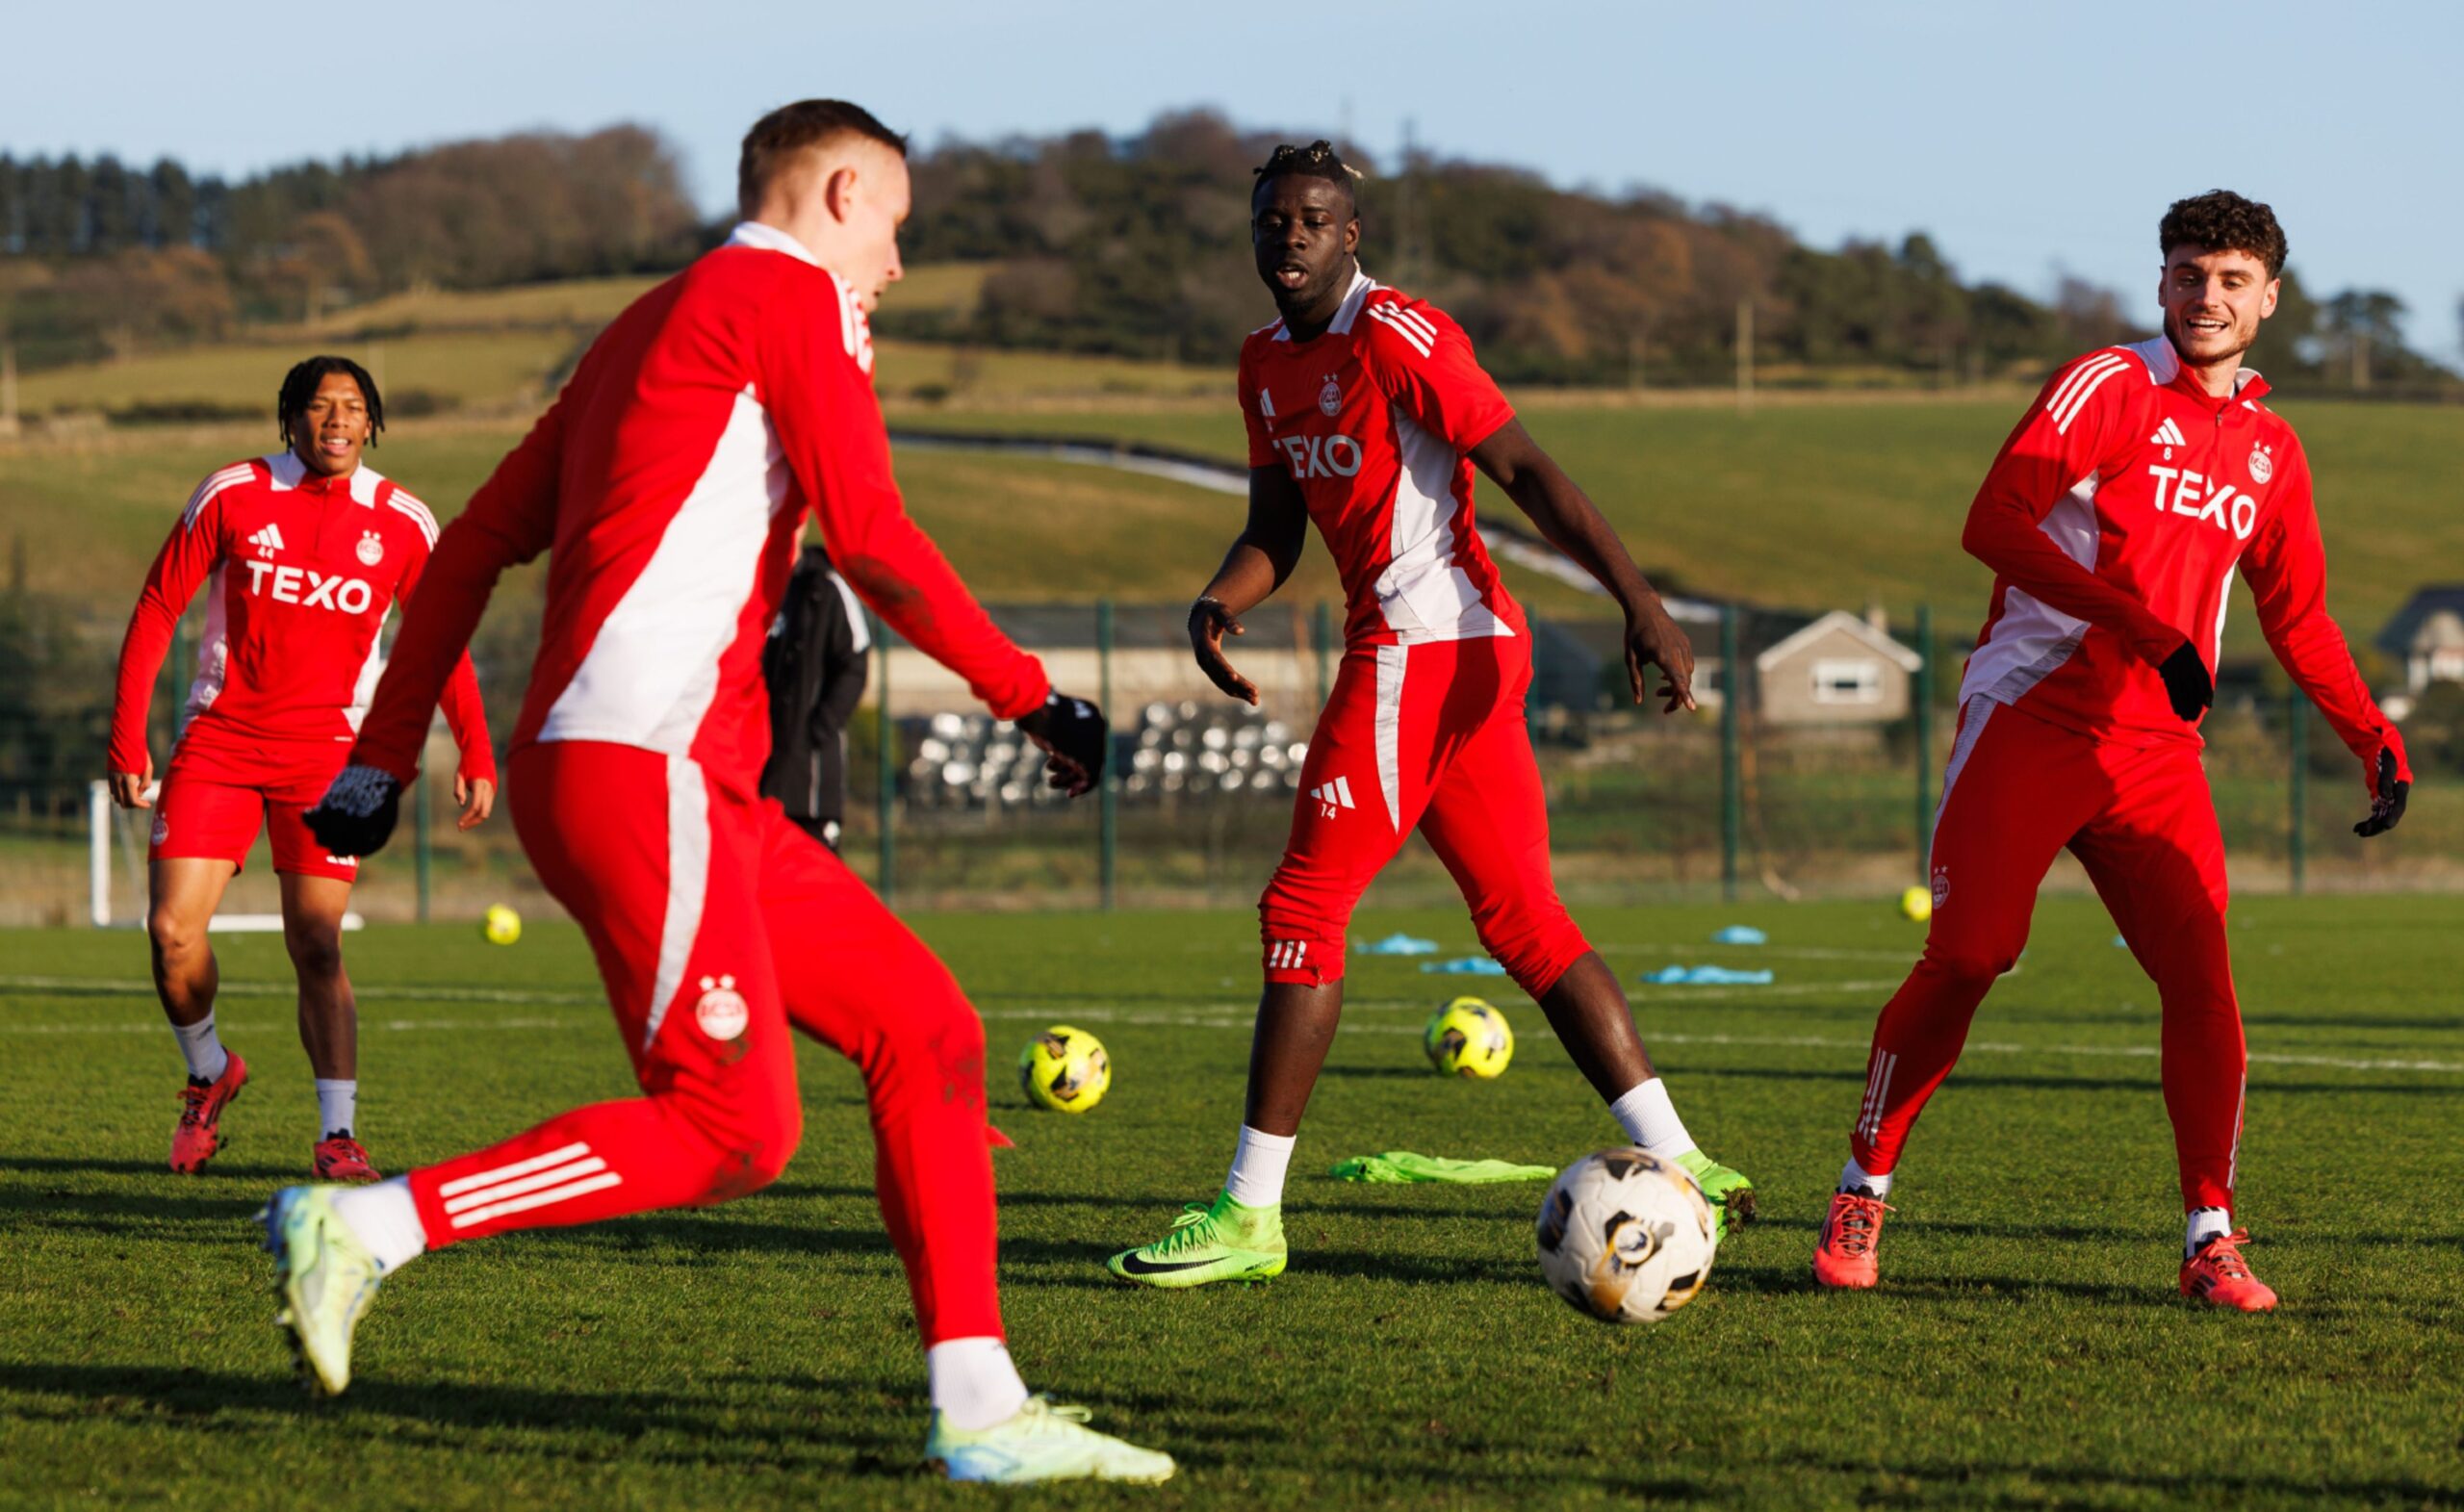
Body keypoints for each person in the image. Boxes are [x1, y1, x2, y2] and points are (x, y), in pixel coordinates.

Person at [270, 101, 1171, 1486]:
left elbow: (464, 553)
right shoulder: (788, 293)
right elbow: (869, 532)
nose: (898, 268)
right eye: (896, 232)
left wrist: (382, 757)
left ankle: (984, 1407)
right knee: (734, 1123)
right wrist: (1027, 692)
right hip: (646, 765)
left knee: (929, 1032)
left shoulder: (639, 330)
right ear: (843, 193)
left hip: (681, 783)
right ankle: (375, 1226)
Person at [1107, 141, 1754, 1291]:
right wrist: (1219, 599)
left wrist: (1640, 601)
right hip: (1446, 652)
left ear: (1350, 235)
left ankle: (1248, 1216)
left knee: (1302, 902)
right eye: (1272, 221)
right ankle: (1682, 1157)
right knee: (1523, 920)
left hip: (1428, 643)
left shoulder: (1398, 334)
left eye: (1313, 220)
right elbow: (1277, 525)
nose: (1290, 236)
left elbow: (1526, 469)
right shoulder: (1262, 363)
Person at [1810, 191, 2413, 1312]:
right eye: (2188, 273)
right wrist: (2142, 627)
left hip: (2153, 753)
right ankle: (1862, 1187)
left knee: (2203, 981)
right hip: (2032, 718)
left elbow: (2301, 617)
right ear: (2160, 285)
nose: (2207, 296)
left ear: (2269, 299)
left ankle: (2209, 1234)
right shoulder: (2107, 386)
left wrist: (2372, 735)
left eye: (2232, 279)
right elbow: (1991, 521)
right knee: (1973, 954)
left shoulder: (2274, 451)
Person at [107, 355, 496, 1181]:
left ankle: (337, 1132)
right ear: (289, 419)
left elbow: (436, 641)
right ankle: (210, 1071)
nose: (337, 420)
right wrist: (127, 737)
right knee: (172, 934)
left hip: (332, 754)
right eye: (320, 406)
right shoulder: (232, 493)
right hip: (220, 740)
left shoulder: (402, 520)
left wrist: (474, 743)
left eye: (354, 407)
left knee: (317, 941)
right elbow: (156, 608)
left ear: (373, 422)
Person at [760, 542, 869, 849]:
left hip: (809, 780)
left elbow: (854, 663)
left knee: (817, 878)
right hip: (761, 773)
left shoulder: (824, 588)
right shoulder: (758, 585)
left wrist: (817, 730)